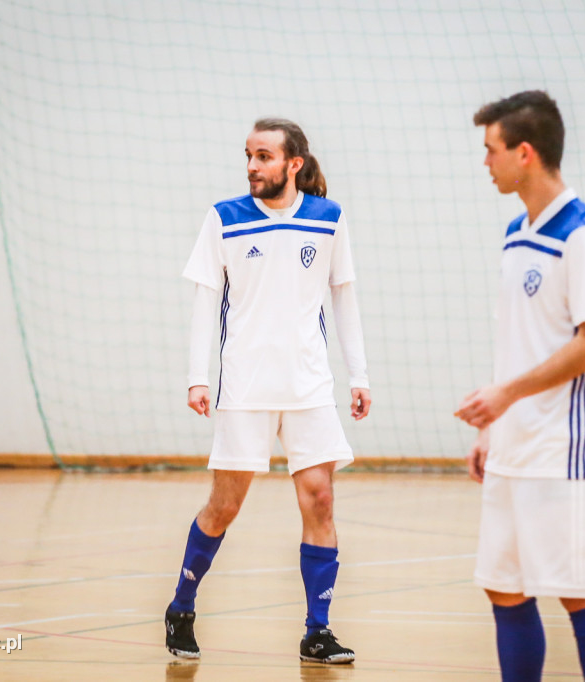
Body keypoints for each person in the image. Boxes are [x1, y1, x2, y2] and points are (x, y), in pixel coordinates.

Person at [166, 118, 371, 665]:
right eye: (249, 156)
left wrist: (360, 376)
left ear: (293, 163)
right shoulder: (224, 219)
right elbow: (205, 302)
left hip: (310, 387)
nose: (253, 166)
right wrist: (197, 377)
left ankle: (317, 632)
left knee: (321, 500)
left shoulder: (329, 219)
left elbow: (343, 297)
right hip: (246, 388)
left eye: (264, 156)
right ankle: (182, 606)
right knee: (225, 506)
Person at [455, 91, 585, 682]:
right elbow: (520, 344)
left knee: (579, 596)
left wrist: (506, 396)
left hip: (564, 455)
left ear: (524, 153)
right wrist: (494, 427)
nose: (486, 162)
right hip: (513, 449)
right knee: (504, 590)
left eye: (491, 150)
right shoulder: (514, 232)